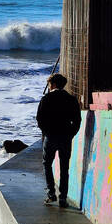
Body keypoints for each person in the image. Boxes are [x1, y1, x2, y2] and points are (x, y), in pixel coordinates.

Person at [36, 73, 81, 207]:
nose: (49, 87)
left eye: (49, 85)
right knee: (64, 167)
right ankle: (63, 198)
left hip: (51, 136)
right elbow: (77, 120)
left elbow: (40, 118)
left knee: (47, 163)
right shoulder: (71, 99)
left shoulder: (47, 99)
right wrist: (71, 133)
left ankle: (51, 194)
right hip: (66, 137)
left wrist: (47, 131)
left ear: (53, 84)